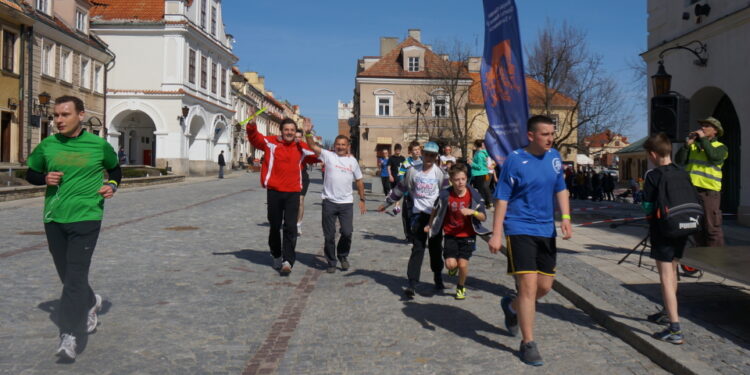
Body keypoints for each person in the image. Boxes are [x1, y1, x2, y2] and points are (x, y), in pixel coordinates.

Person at [25, 95, 121, 361]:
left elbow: (115, 170)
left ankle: (71, 335)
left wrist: (112, 185)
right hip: (54, 218)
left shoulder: (98, 145)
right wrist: (44, 178)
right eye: (56, 115)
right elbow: (30, 173)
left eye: (65, 115)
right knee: (67, 275)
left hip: (87, 216)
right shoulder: (48, 145)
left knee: (76, 276)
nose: (58, 120)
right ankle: (90, 301)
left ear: (80, 115)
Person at [488, 115, 572, 367]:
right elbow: (502, 197)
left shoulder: (554, 157)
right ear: (531, 135)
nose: (550, 138)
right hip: (519, 228)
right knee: (527, 287)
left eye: (552, 133)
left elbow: (561, 188)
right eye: (545, 134)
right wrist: (496, 233)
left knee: (544, 287)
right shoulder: (515, 160)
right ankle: (528, 342)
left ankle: (512, 308)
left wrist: (566, 217)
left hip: (546, 230)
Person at [246, 117, 316, 275]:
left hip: (293, 193)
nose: (289, 132)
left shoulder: (301, 147)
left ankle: (288, 261)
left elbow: (317, 154)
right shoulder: (271, 143)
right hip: (274, 192)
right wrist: (251, 125)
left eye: (292, 130)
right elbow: (255, 139)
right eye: (286, 130)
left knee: (290, 227)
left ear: (295, 131)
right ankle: (277, 255)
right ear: (281, 131)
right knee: (274, 227)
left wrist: (309, 134)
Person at [378, 141, 448, 298]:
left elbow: (445, 196)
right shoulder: (413, 171)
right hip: (418, 214)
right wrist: (387, 203)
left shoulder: (441, 174)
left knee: (436, 248)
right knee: (418, 247)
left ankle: (437, 276)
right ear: (422, 154)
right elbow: (401, 188)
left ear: (436, 157)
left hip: (435, 216)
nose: (429, 157)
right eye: (427, 154)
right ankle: (412, 283)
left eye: (432, 155)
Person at [641, 132, 691, 345]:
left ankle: (675, 328)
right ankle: (665, 312)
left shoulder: (653, 176)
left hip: (662, 230)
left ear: (653, 154)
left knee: (665, 278)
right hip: (683, 228)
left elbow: (648, 207)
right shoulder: (683, 172)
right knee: (673, 271)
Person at [304, 126, 366, 273]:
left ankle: (343, 256)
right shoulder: (328, 155)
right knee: (329, 235)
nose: (340, 147)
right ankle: (331, 261)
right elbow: (312, 145)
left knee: (347, 232)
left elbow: (359, 181)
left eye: (343, 145)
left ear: (348, 146)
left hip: (346, 203)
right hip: (329, 202)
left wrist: (362, 199)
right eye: (338, 144)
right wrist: (307, 132)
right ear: (334, 146)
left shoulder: (353, 161)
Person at [425, 163, 489, 300]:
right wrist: (430, 225)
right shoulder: (445, 195)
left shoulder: (474, 196)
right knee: (450, 264)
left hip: (468, 235)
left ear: (467, 179)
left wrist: (473, 212)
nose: (460, 182)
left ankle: (461, 286)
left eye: (463, 179)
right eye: (457, 180)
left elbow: (483, 217)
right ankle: (452, 268)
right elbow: (435, 210)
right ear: (451, 180)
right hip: (450, 235)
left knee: (463, 263)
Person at [675, 116, 728, 247]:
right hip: (692, 191)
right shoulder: (693, 146)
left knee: (712, 227)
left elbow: (714, 157)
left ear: (715, 131)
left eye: (706, 126)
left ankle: (717, 258)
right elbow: (679, 161)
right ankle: (701, 255)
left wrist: (703, 139)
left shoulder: (721, 147)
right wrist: (686, 146)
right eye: (702, 125)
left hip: (709, 192)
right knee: (695, 226)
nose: (702, 128)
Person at [295, 129, 319, 236]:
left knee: (300, 201)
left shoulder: (304, 147)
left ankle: (298, 224)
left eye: (300, 136)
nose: (297, 138)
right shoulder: (285, 146)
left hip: (302, 176)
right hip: (290, 177)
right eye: (296, 136)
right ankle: (290, 221)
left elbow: (317, 154)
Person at [396, 141, 422, 241]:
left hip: (421, 192)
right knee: (407, 214)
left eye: (418, 149)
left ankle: (418, 234)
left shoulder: (423, 161)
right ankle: (409, 235)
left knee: (419, 214)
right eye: (415, 150)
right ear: (410, 151)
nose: (417, 152)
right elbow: (400, 175)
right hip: (409, 192)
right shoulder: (407, 162)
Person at [468, 139, 493, 208]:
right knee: (480, 189)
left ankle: (482, 203)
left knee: (480, 190)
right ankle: (483, 202)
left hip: (480, 174)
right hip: (479, 173)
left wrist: (471, 163)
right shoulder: (477, 153)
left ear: (475, 145)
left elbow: (479, 166)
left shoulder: (479, 154)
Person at [386, 144, 406, 214]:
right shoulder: (391, 158)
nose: (398, 151)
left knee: (399, 192)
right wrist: (390, 175)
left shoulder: (403, 158)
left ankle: (397, 206)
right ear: (395, 150)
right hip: (393, 178)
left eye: (399, 150)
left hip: (401, 178)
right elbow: (388, 167)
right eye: (397, 150)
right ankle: (397, 206)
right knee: (395, 191)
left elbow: (406, 167)